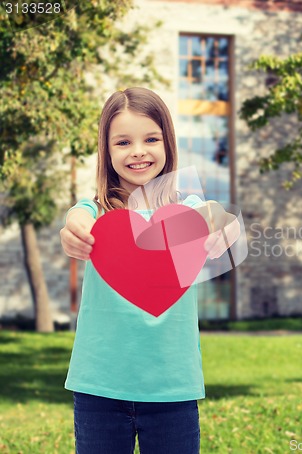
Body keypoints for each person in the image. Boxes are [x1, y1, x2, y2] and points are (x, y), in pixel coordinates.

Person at [60, 87, 236, 454]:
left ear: (168, 144)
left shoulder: (187, 211)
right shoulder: (97, 212)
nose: (138, 151)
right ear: (107, 153)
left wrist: (224, 227)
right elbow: (75, 220)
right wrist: (73, 231)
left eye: (150, 139)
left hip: (173, 387)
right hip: (99, 388)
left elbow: (219, 215)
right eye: (123, 142)